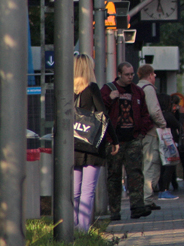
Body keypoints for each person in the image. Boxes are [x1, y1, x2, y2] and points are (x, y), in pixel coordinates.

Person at [100, 62, 153, 220]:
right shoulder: (108, 89)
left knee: (135, 173)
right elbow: (100, 110)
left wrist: (141, 132)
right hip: (114, 140)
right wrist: (110, 99)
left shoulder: (137, 91)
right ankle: (114, 210)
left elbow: (145, 113)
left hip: (132, 138)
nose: (130, 77)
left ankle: (137, 206)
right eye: (127, 74)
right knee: (114, 175)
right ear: (119, 74)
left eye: (132, 74)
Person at [72, 55, 106, 231]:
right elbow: (103, 116)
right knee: (88, 190)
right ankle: (84, 229)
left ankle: (72, 226)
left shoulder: (67, 89)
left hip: (72, 145)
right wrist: (113, 141)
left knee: (74, 191)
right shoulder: (91, 88)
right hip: (91, 145)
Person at [137, 63, 173, 206]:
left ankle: (141, 197)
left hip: (138, 132)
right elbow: (154, 111)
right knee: (151, 164)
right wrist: (163, 124)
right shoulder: (149, 89)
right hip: (150, 132)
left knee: (141, 165)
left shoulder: (136, 88)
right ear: (151, 75)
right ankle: (147, 199)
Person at [171, 94, 184, 191]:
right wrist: (182, 114)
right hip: (181, 139)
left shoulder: (170, 113)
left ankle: (175, 184)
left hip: (174, 139)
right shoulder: (181, 113)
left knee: (173, 163)